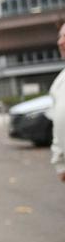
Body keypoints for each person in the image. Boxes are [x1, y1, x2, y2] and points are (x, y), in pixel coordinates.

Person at [49, 22, 65, 182]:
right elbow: (58, 125)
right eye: (60, 36)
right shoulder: (60, 82)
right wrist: (60, 162)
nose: (60, 42)